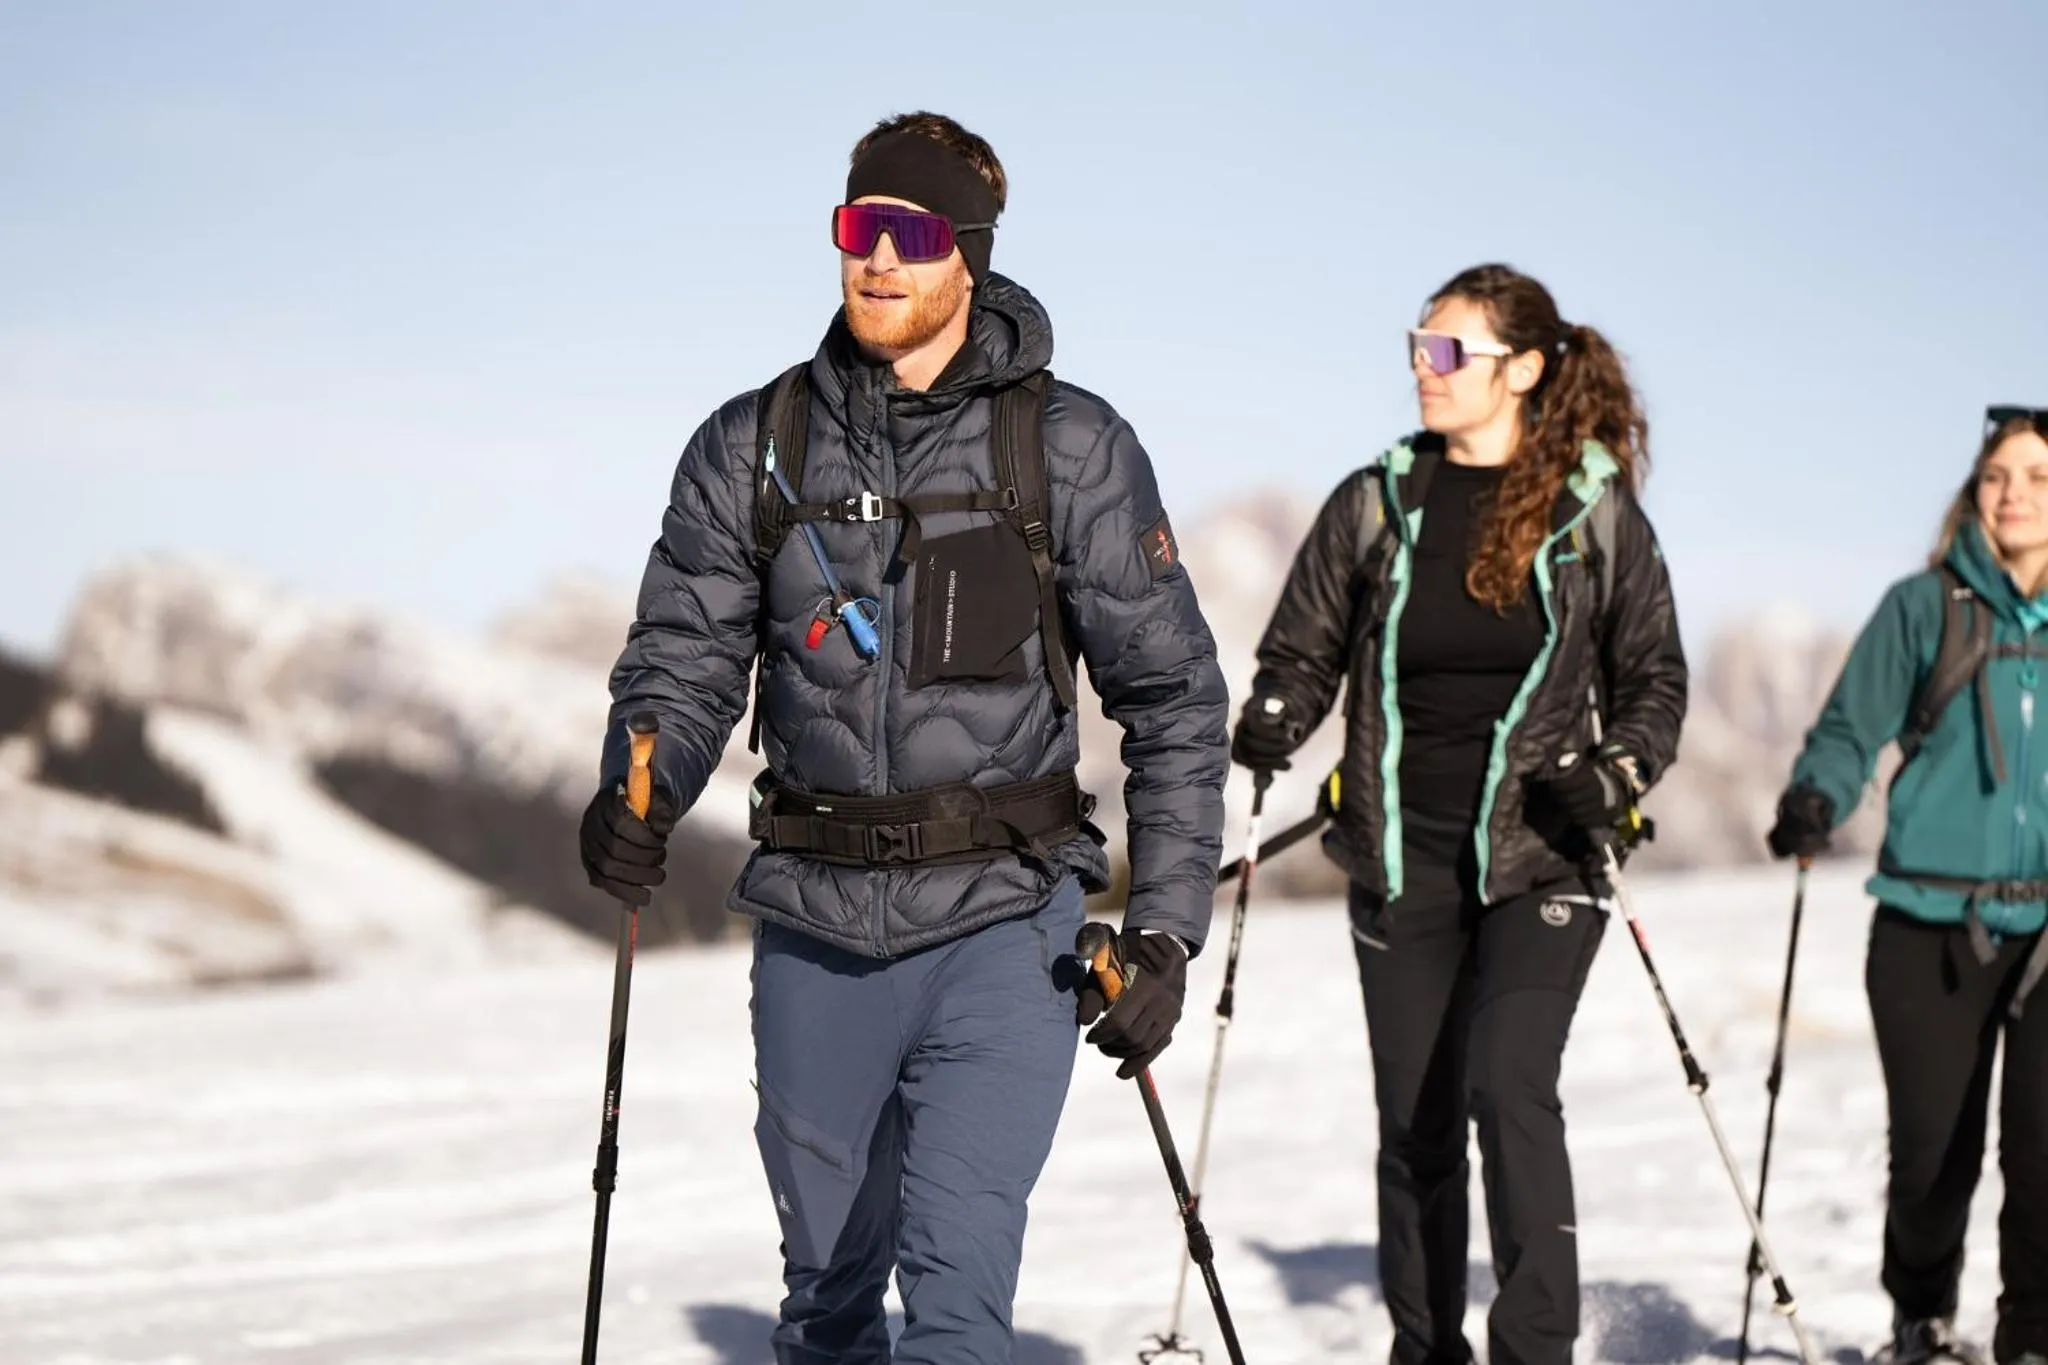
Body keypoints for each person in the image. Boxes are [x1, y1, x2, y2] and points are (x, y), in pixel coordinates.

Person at [576, 110, 1230, 1364]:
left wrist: (1164, 931)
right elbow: (684, 658)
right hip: (814, 929)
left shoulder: (1068, 447)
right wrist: (637, 790)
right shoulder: (751, 445)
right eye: (857, 228)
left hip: (1004, 926)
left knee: (954, 1296)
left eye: (910, 234)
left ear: (967, 255)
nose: (876, 259)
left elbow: (1171, 699)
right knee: (826, 1302)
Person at [1229, 263, 1688, 1365]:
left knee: (1506, 1083)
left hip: (1545, 855)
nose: (1421, 372)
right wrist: (1279, 710)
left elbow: (1654, 682)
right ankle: (1424, 1348)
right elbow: (1302, 645)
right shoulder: (1376, 502)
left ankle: (1533, 1348)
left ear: (1522, 370)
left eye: (1447, 352)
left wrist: (1615, 773)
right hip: (1400, 855)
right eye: (1415, 348)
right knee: (1416, 1126)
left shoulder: (1593, 514)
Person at [1766, 405, 2048, 1365]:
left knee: (2046, 1155)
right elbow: (1851, 728)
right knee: (1934, 1156)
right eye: (1998, 476)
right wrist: (1817, 796)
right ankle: (1922, 1320)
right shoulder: (1924, 607)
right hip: (1928, 920)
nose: (2014, 494)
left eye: (2037, 476)